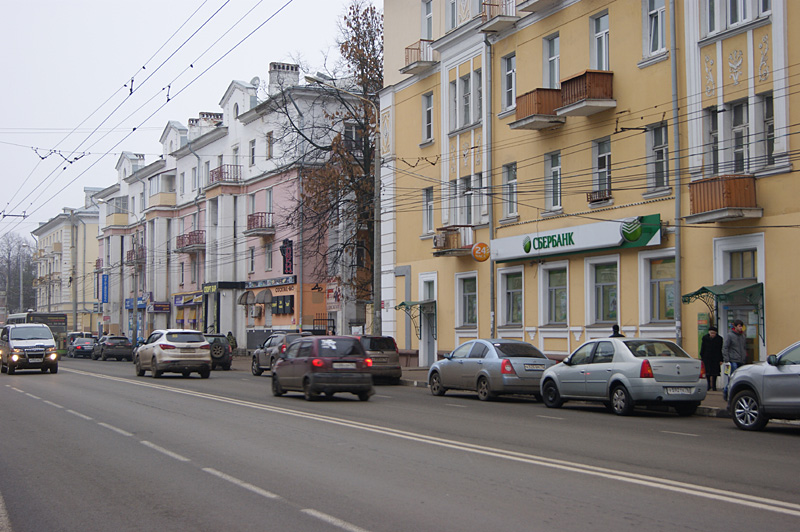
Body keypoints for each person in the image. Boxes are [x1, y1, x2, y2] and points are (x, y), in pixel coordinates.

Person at [722, 319, 747, 400]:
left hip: (741, 360)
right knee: (733, 378)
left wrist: (744, 357)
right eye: (739, 326)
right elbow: (725, 347)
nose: (741, 328)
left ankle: (732, 394)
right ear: (735, 327)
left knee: (739, 378)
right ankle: (726, 393)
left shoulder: (742, 336)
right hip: (733, 360)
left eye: (741, 326)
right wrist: (726, 359)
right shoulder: (730, 335)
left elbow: (743, 347)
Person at [699, 325, 723, 391]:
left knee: (715, 373)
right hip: (707, 358)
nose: (712, 334)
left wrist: (721, 359)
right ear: (709, 332)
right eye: (711, 333)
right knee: (707, 373)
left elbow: (720, 349)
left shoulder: (719, 339)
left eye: (714, 333)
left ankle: (714, 386)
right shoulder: (705, 338)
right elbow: (703, 348)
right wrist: (702, 356)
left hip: (715, 358)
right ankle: (708, 385)